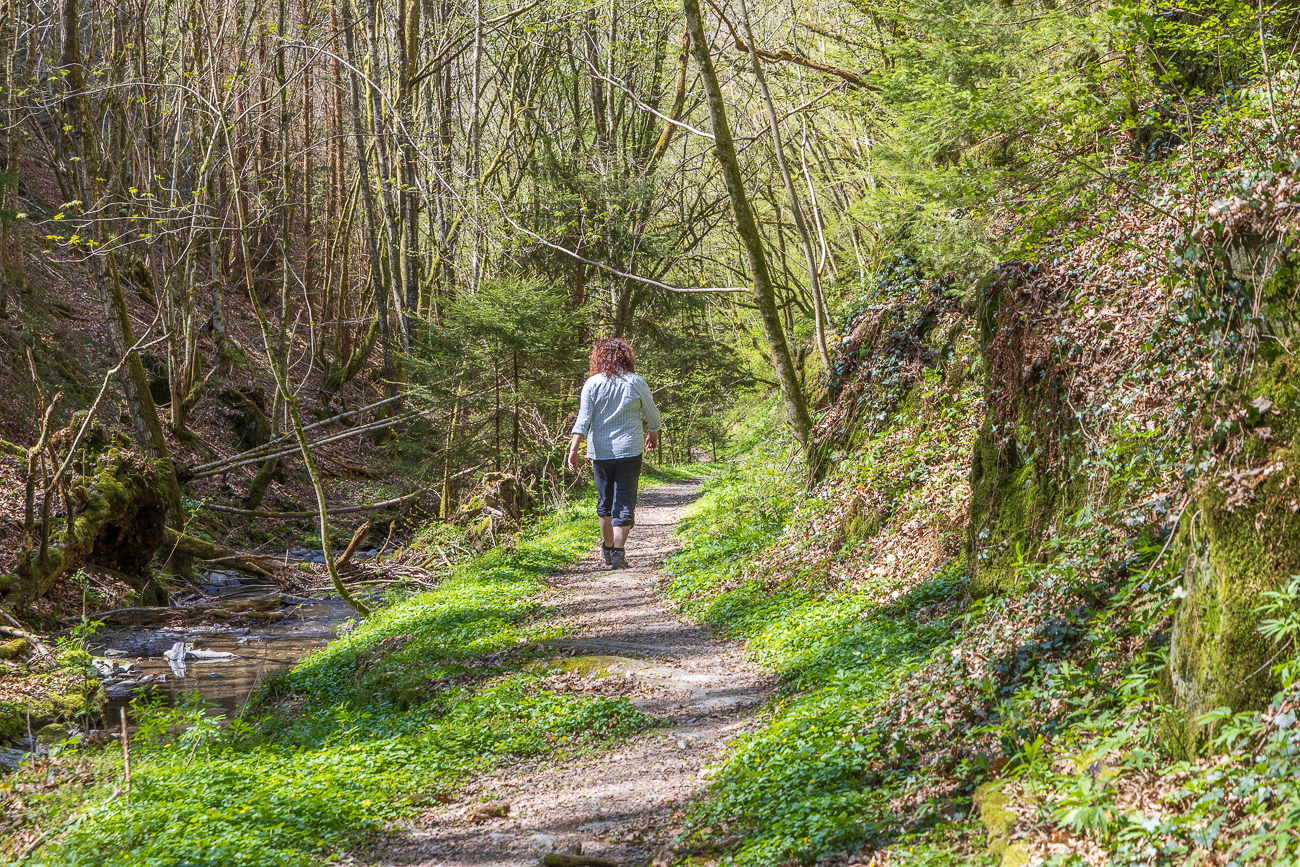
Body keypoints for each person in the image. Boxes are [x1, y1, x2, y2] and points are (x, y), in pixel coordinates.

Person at [567, 337, 662, 569]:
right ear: (626, 358)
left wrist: (573, 449)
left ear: (599, 358)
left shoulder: (592, 383)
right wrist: (653, 435)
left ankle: (608, 550)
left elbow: (583, 420)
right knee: (624, 499)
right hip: (629, 450)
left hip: (599, 451)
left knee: (605, 501)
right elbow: (653, 415)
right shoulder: (636, 382)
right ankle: (618, 553)